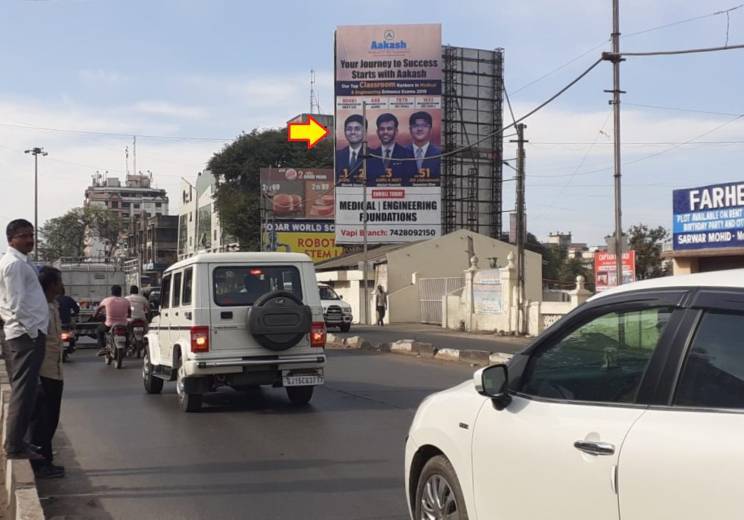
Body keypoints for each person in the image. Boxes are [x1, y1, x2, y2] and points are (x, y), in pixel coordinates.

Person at [0, 219, 49, 460]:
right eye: (23, 236)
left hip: (28, 333)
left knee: (28, 391)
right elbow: (16, 304)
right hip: (25, 335)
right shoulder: (13, 265)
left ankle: (18, 443)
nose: (29, 240)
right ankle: (15, 446)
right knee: (23, 391)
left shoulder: (22, 263)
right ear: (11, 239)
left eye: (31, 235)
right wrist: (33, 331)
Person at [30, 267, 65, 478]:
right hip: (45, 370)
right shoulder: (41, 307)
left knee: (50, 417)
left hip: (54, 368)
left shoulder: (53, 305)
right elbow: (37, 341)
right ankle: (41, 464)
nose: (62, 285)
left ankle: (46, 460)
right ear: (52, 284)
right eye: (59, 281)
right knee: (44, 418)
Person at [367, 113, 416, 184]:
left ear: (396, 131)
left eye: (389, 129)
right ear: (377, 132)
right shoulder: (371, 156)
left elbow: (411, 182)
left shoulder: (408, 155)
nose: (385, 132)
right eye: (382, 129)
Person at [94, 285, 130, 355]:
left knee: (98, 330)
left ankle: (102, 348)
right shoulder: (126, 301)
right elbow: (129, 312)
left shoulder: (107, 300)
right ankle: (128, 346)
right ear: (120, 292)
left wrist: (95, 315)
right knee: (128, 332)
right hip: (123, 324)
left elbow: (98, 309)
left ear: (112, 292)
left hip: (109, 324)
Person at [406, 111, 441, 180]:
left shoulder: (439, 153)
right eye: (415, 126)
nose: (419, 129)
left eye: (424, 125)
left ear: (430, 129)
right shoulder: (401, 152)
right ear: (410, 130)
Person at [335, 114, 366, 183]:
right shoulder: (337, 155)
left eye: (357, 129)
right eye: (349, 129)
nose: (353, 132)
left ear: (365, 132)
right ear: (344, 131)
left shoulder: (373, 155)